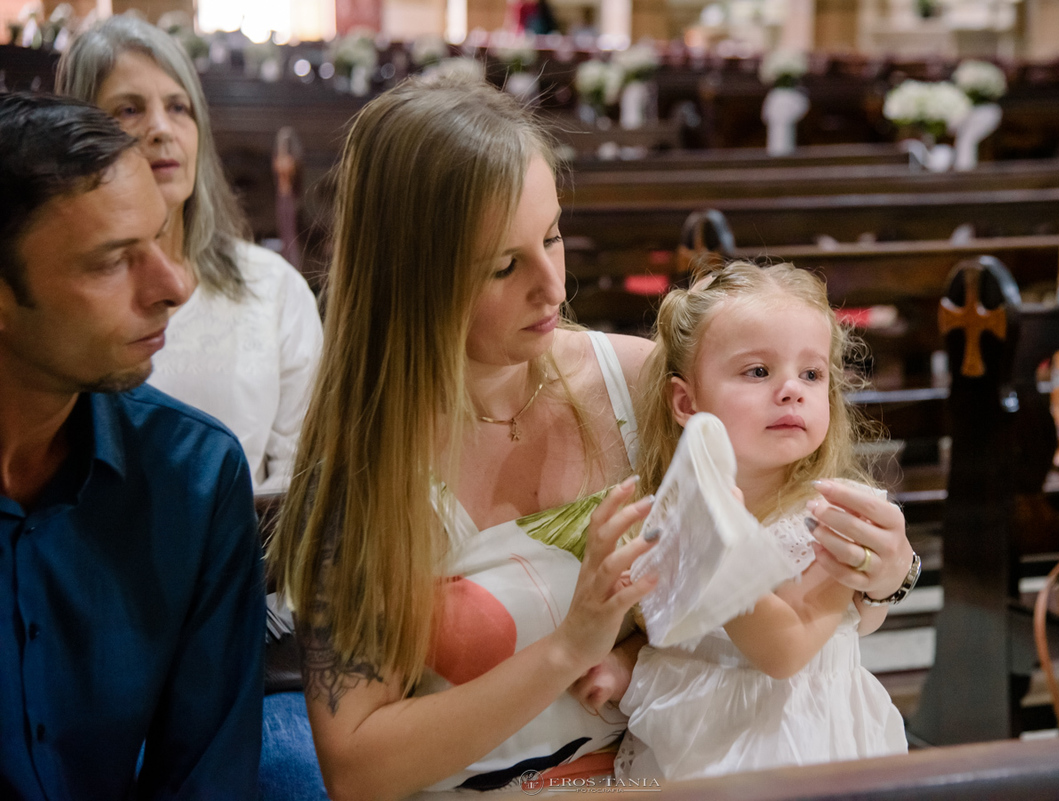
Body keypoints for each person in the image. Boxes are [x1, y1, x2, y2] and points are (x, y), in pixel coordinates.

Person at [268, 76, 917, 799]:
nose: (552, 286)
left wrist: (886, 573)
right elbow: (358, 769)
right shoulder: (366, 474)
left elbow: (791, 570)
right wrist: (570, 646)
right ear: (416, 279)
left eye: (552, 236)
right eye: (505, 265)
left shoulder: (641, 389)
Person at [0, 92, 263, 800]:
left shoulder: (194, 476)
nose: (174, 285)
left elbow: (207, 778)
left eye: (164, 235)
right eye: (114, 261)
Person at [609, 260, 913, 780]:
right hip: (689, 737)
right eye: (758, 371)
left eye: (812, 374)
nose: (792, 389)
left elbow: (785, 649)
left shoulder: (834, 515)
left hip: (793, 745)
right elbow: (675, 628)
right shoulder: (670, 503)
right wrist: (621, 661)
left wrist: (716, 546)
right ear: (686, 400)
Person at [57, 13, 323, 495]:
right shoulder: (61, 294)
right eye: (129, 110)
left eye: (178, 107)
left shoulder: (273, 286)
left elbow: (304, 473)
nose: (162, 129)